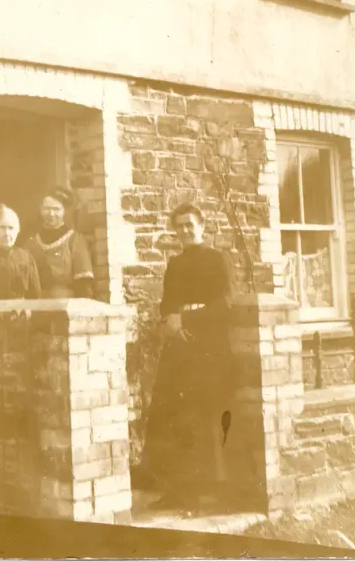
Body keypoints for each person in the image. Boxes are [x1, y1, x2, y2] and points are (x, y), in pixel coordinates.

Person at [142, 202, 237, 512]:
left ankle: (200, 496)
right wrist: (171, 325)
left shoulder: (216, 259)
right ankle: (176, 491)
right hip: (179, 348)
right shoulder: (175, 264)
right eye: (179, 226)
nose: (184, 230)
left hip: (208, 348)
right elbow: (167, 304)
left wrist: (187, 321)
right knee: (169, 418)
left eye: (189, 225)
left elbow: (225, 305)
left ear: (201, 226)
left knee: (198, 421)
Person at [23, 186, 95, 299]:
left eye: (56, 209)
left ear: (64, 211)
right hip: (37, 305)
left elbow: (84, 284)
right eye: (46, 208)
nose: (51, 214)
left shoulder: (75, 240)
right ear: (40, 210)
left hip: (66, 305)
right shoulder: (31, 242)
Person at [0, 204, 41, 301]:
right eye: (2, 228)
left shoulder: (26, 257)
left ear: (18, 231)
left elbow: (35, 296)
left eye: (11, 228)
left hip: (21, 312)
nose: (7, 233)